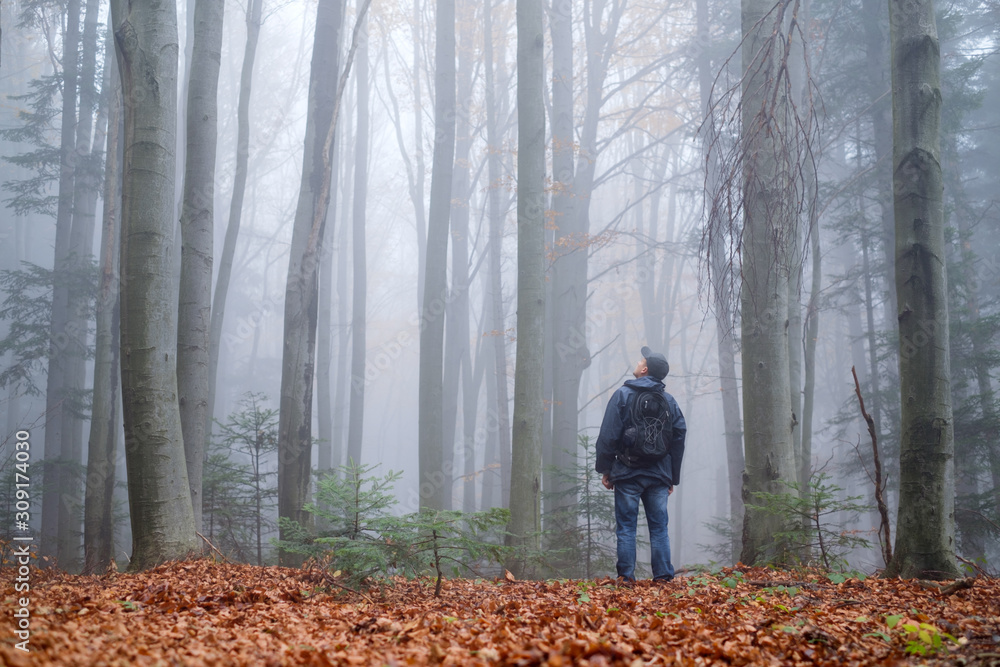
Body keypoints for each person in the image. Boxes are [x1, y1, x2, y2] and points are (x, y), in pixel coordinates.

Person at [595, 346, 687, 583]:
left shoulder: (623, 395)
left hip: (627, 473)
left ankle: (626, 578)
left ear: (644, 369)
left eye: (641, 360)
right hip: (658, 475)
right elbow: (678, 437)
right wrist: (672, 477)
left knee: (626, 528)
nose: (637, 362)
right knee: (659, 528)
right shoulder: (669, 401)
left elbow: (608, 435)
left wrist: (606, 470)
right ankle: (664, 578)